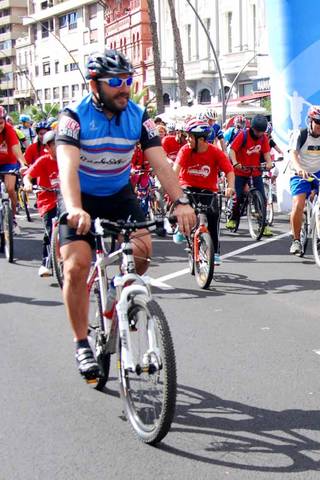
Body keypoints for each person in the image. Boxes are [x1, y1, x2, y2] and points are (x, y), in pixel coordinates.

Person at [55, 48, 195, 380]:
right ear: (94, 85)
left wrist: (180, 201)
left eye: (128, 80)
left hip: (119, 195)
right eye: (115, 81)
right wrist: (74, 208)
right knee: (76, 266)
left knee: (143, 253)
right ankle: (81, 343)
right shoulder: (73, 117)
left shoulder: (138, 116)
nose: (124, 88)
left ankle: (121, 303)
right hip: (81, 196)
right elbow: (67, 169)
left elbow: (160, 163)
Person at [173, 118, 235, 265]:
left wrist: (230, 187)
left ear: (201, 139)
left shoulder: (215, 152)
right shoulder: (185, 150)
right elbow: (175, 171)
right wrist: (174, 188)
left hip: (208, 189)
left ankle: (216, 252)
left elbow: (229, 171)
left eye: (190, 136)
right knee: (182, 207)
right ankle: (179, 228)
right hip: (187, 186)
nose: (187, 139)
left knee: (213, 217)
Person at [288, 105, 320, 254]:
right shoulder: (300, 135)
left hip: (319, 171)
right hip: (300, 172)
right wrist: (299, 168)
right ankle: (296, 240)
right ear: (310, 120)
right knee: (298, 204)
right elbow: (293, 154)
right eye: (318, 121)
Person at [23, 130, 60, 277]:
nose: (58, 147)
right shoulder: (43, 160)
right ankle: (46, 263)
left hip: (66, 199)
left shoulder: (68, 159)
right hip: (47, 201)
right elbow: (28, 176)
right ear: (47, 147)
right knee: (50, 232)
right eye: (54, 145)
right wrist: (28, 184)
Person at [226, 114, 272, 231]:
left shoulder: (264, 138)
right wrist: (235, 162)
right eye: (257, 131)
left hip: (255, 171)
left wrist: (269, 163)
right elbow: (232, 150)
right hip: (240, 171)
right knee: (238, 196)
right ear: (252, 128)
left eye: (262, 131)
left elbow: (266, 153)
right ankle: (233, 218)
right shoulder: (243, 135)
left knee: (262, 198)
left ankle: (263, 225)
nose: (259, 134)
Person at [0, 106, 28, 232]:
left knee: (10, 189)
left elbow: (16, 148)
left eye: (0, 123)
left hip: (9, 162)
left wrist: (23, 163)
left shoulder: (9, 130)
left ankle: (12, 217)